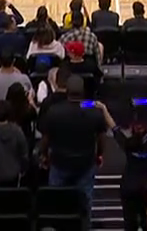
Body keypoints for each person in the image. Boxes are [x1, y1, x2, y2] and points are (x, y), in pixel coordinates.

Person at [39, 75, 108, 208]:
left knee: (56, 202)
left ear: (67, 91)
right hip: (85, 162)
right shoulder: (94, 112)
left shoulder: (54, 111)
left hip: (59, 162)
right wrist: (99, 154)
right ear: (83, 91)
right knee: (84, 201)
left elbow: (46, 138)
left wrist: (44, 155)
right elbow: (101, 138)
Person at [111, 98, 147, 231]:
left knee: (129, 224)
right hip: (146, 189)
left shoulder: (127, 144)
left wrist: (103, 109)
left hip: (128, 187)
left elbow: (114, 128)